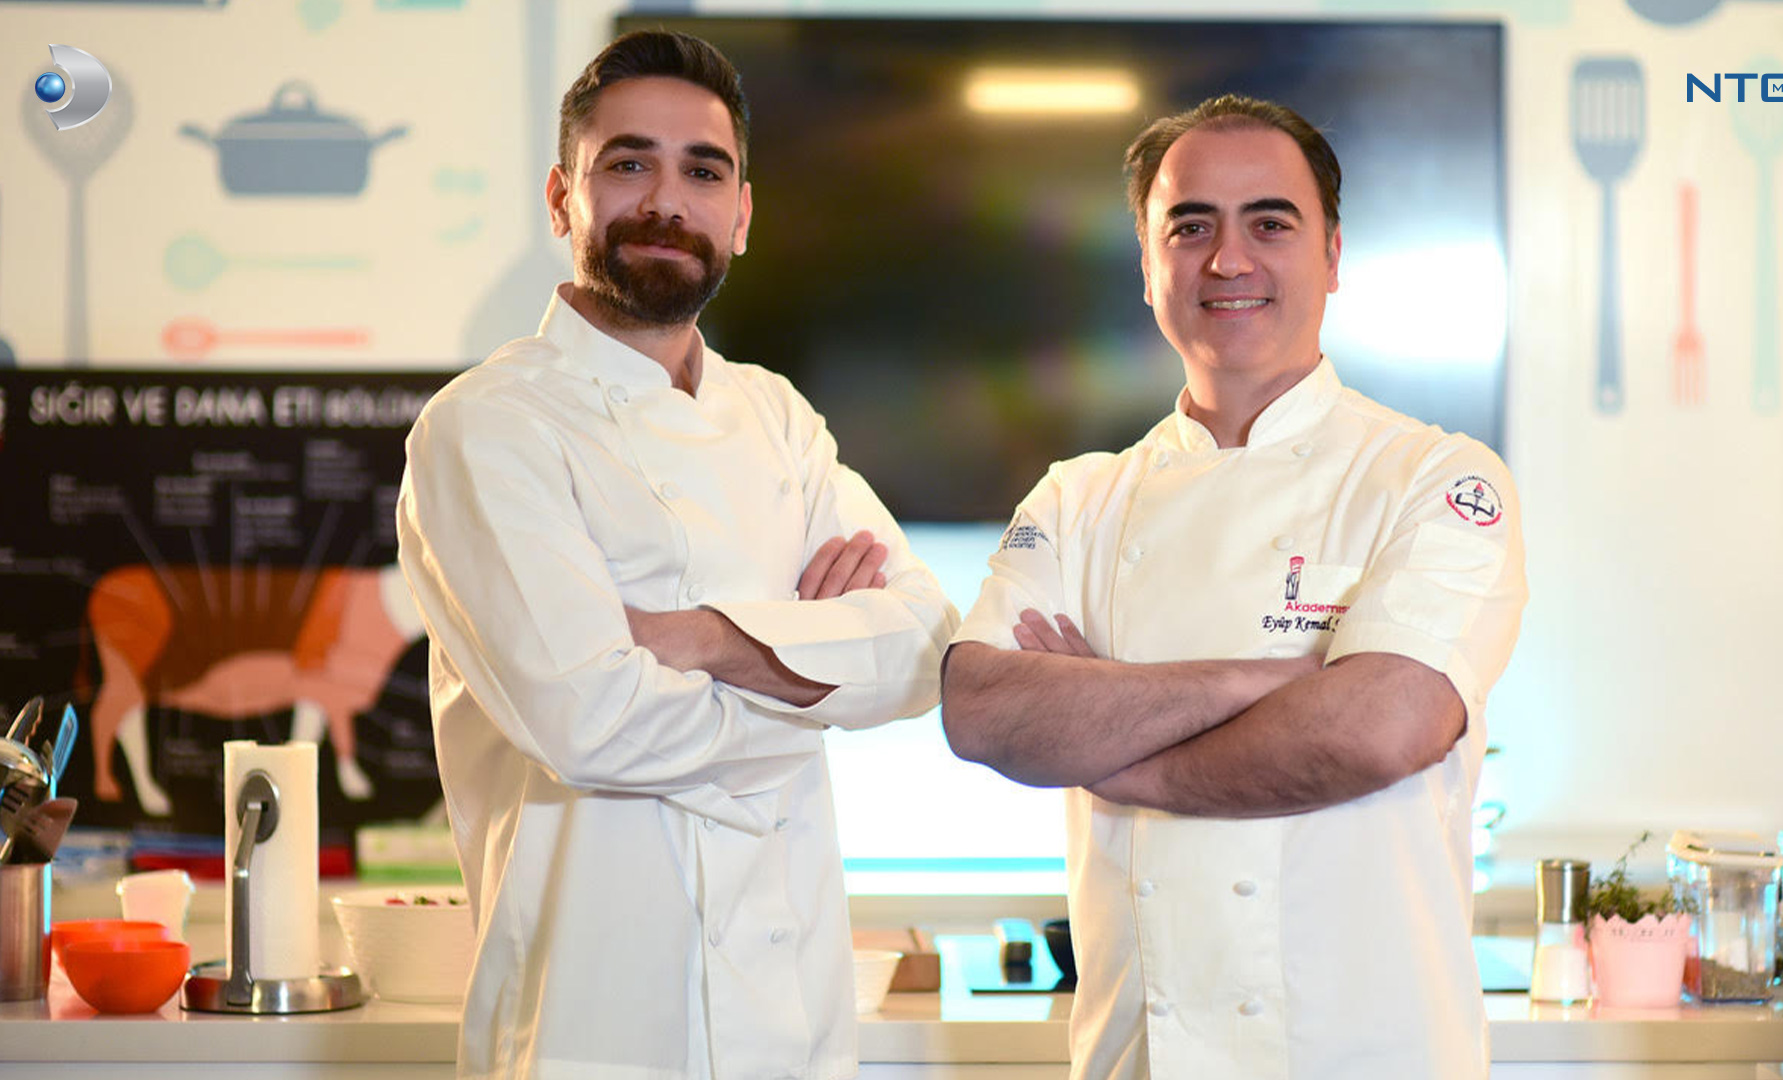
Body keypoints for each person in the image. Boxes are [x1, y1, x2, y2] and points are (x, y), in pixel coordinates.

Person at [396, 31, 958, 1080]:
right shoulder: (489, 427)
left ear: (740, 215)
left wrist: (697, 641)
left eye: (704, 171)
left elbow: (924, 647)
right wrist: (817, 688)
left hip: (794, 1031)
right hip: (591, 1032)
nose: (667, 200)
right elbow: (590, 724)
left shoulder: (778, 418)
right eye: (628, 164)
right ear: (562, 198)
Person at [941, 95, 1527, 1079]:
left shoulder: (1436, 478)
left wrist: (1123, 761)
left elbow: (1382, 727)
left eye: (1270, 222)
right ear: (1146, 266)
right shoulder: (1079, 499)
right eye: (1190, 226)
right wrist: (1270, 680)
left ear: (1331, 256)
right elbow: (983, 712)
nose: (1228, 259)